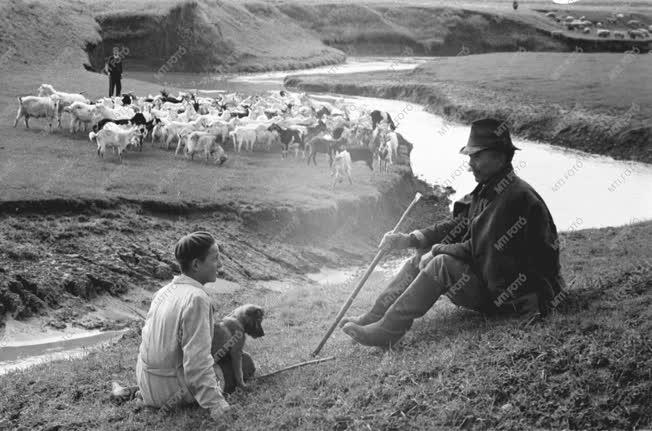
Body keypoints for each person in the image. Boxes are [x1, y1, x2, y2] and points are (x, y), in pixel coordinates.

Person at [341, 118, 565, 348]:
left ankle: (387, 331)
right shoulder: (493, 187)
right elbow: (458, 225)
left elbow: (475, 249)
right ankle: (375, 316)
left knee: (441, 264)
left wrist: (436, 250)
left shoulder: (513, 197)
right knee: (420, 258)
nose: (470, 164)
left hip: (520, 297)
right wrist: (410, 240)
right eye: (470, 157)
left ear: (499, 156)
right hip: (498, 280)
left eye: (476, 156)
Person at [136, 232, 232, 424]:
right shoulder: (197, 298)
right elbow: (197, 360)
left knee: (218, 333)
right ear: (196, 264)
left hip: (147, 387)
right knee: (227, 348)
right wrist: (216, 404)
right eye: (215, 259)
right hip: (174, 394)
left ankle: (139, 392)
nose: (220, 265)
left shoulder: (163, 291)